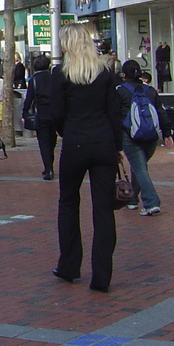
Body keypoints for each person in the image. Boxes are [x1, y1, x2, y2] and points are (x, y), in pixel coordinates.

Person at [53, 21, 123, 293]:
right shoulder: (105, 73)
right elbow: (114, 113)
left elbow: (56, 114)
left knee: (69, 203)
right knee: (103, 209)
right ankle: (102, 276)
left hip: (75, 144)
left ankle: (70, 265)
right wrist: (116, 146)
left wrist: (67, 131)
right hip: (103, 143)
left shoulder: (61, 74)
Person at [117, 59, 173, 215]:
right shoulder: (150, 91)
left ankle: (151, 202)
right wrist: (167, 132)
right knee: (139, 167)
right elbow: (161, 112)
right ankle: (133, 199)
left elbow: (114, 116)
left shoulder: (120, 91)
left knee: (139, 167)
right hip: (151, 136)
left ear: (124, 74)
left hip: (130, 135)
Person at [22, 55, 59, 180]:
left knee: (43, 142)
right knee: (52, 140)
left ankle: (48, 168)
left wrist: (25, 111)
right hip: (54, 114)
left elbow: (29, 98)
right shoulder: (53, 78)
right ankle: (49, 164)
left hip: (41, 114)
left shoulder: (35, 80)